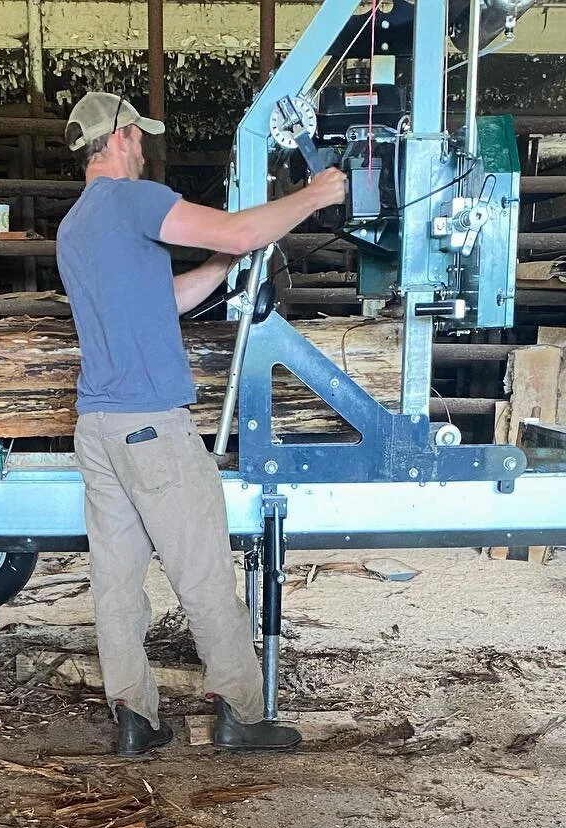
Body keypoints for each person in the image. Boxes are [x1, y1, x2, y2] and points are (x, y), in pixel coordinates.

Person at [56, 92, 348, 756]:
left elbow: (165, 299)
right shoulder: (136, 201)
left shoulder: (76, 226)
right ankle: (239, 713)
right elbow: (243, 229)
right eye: (139, 137)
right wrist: (315, 193)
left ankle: (135, 715)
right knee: (204, 572)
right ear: (123, 137)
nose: (143, 149)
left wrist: (221, 269)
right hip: (152, 428)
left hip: (99, 429)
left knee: (117, 580)